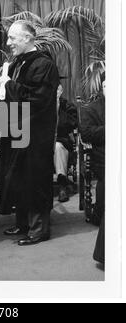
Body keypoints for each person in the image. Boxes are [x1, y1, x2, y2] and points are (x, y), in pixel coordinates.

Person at [0, 20, 60, 246]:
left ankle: (38, 229)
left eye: (13, 38)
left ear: (27, 38)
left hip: (35, 135)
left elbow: (38, 99)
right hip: (17, 132)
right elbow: (8, 95)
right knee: (18, 179)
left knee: (34, 180)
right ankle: (23, 223)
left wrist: (10, 84)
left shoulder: (43, 64)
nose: (8, 42)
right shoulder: (16, 63)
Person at [80, 71, 105, 264]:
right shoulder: (92, 109)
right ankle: (100, 212)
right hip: (102, 155)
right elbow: (87, 134)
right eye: (106, 86)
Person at [54, 84, 78, 203]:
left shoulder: (68, 106)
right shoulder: (42, 105)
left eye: (57, 89)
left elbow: (71, 124)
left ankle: (62, 186)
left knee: (58, 148)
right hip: (44, 142)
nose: (55, 92)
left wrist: (58, 109)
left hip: (61, 141)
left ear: (61, 91)